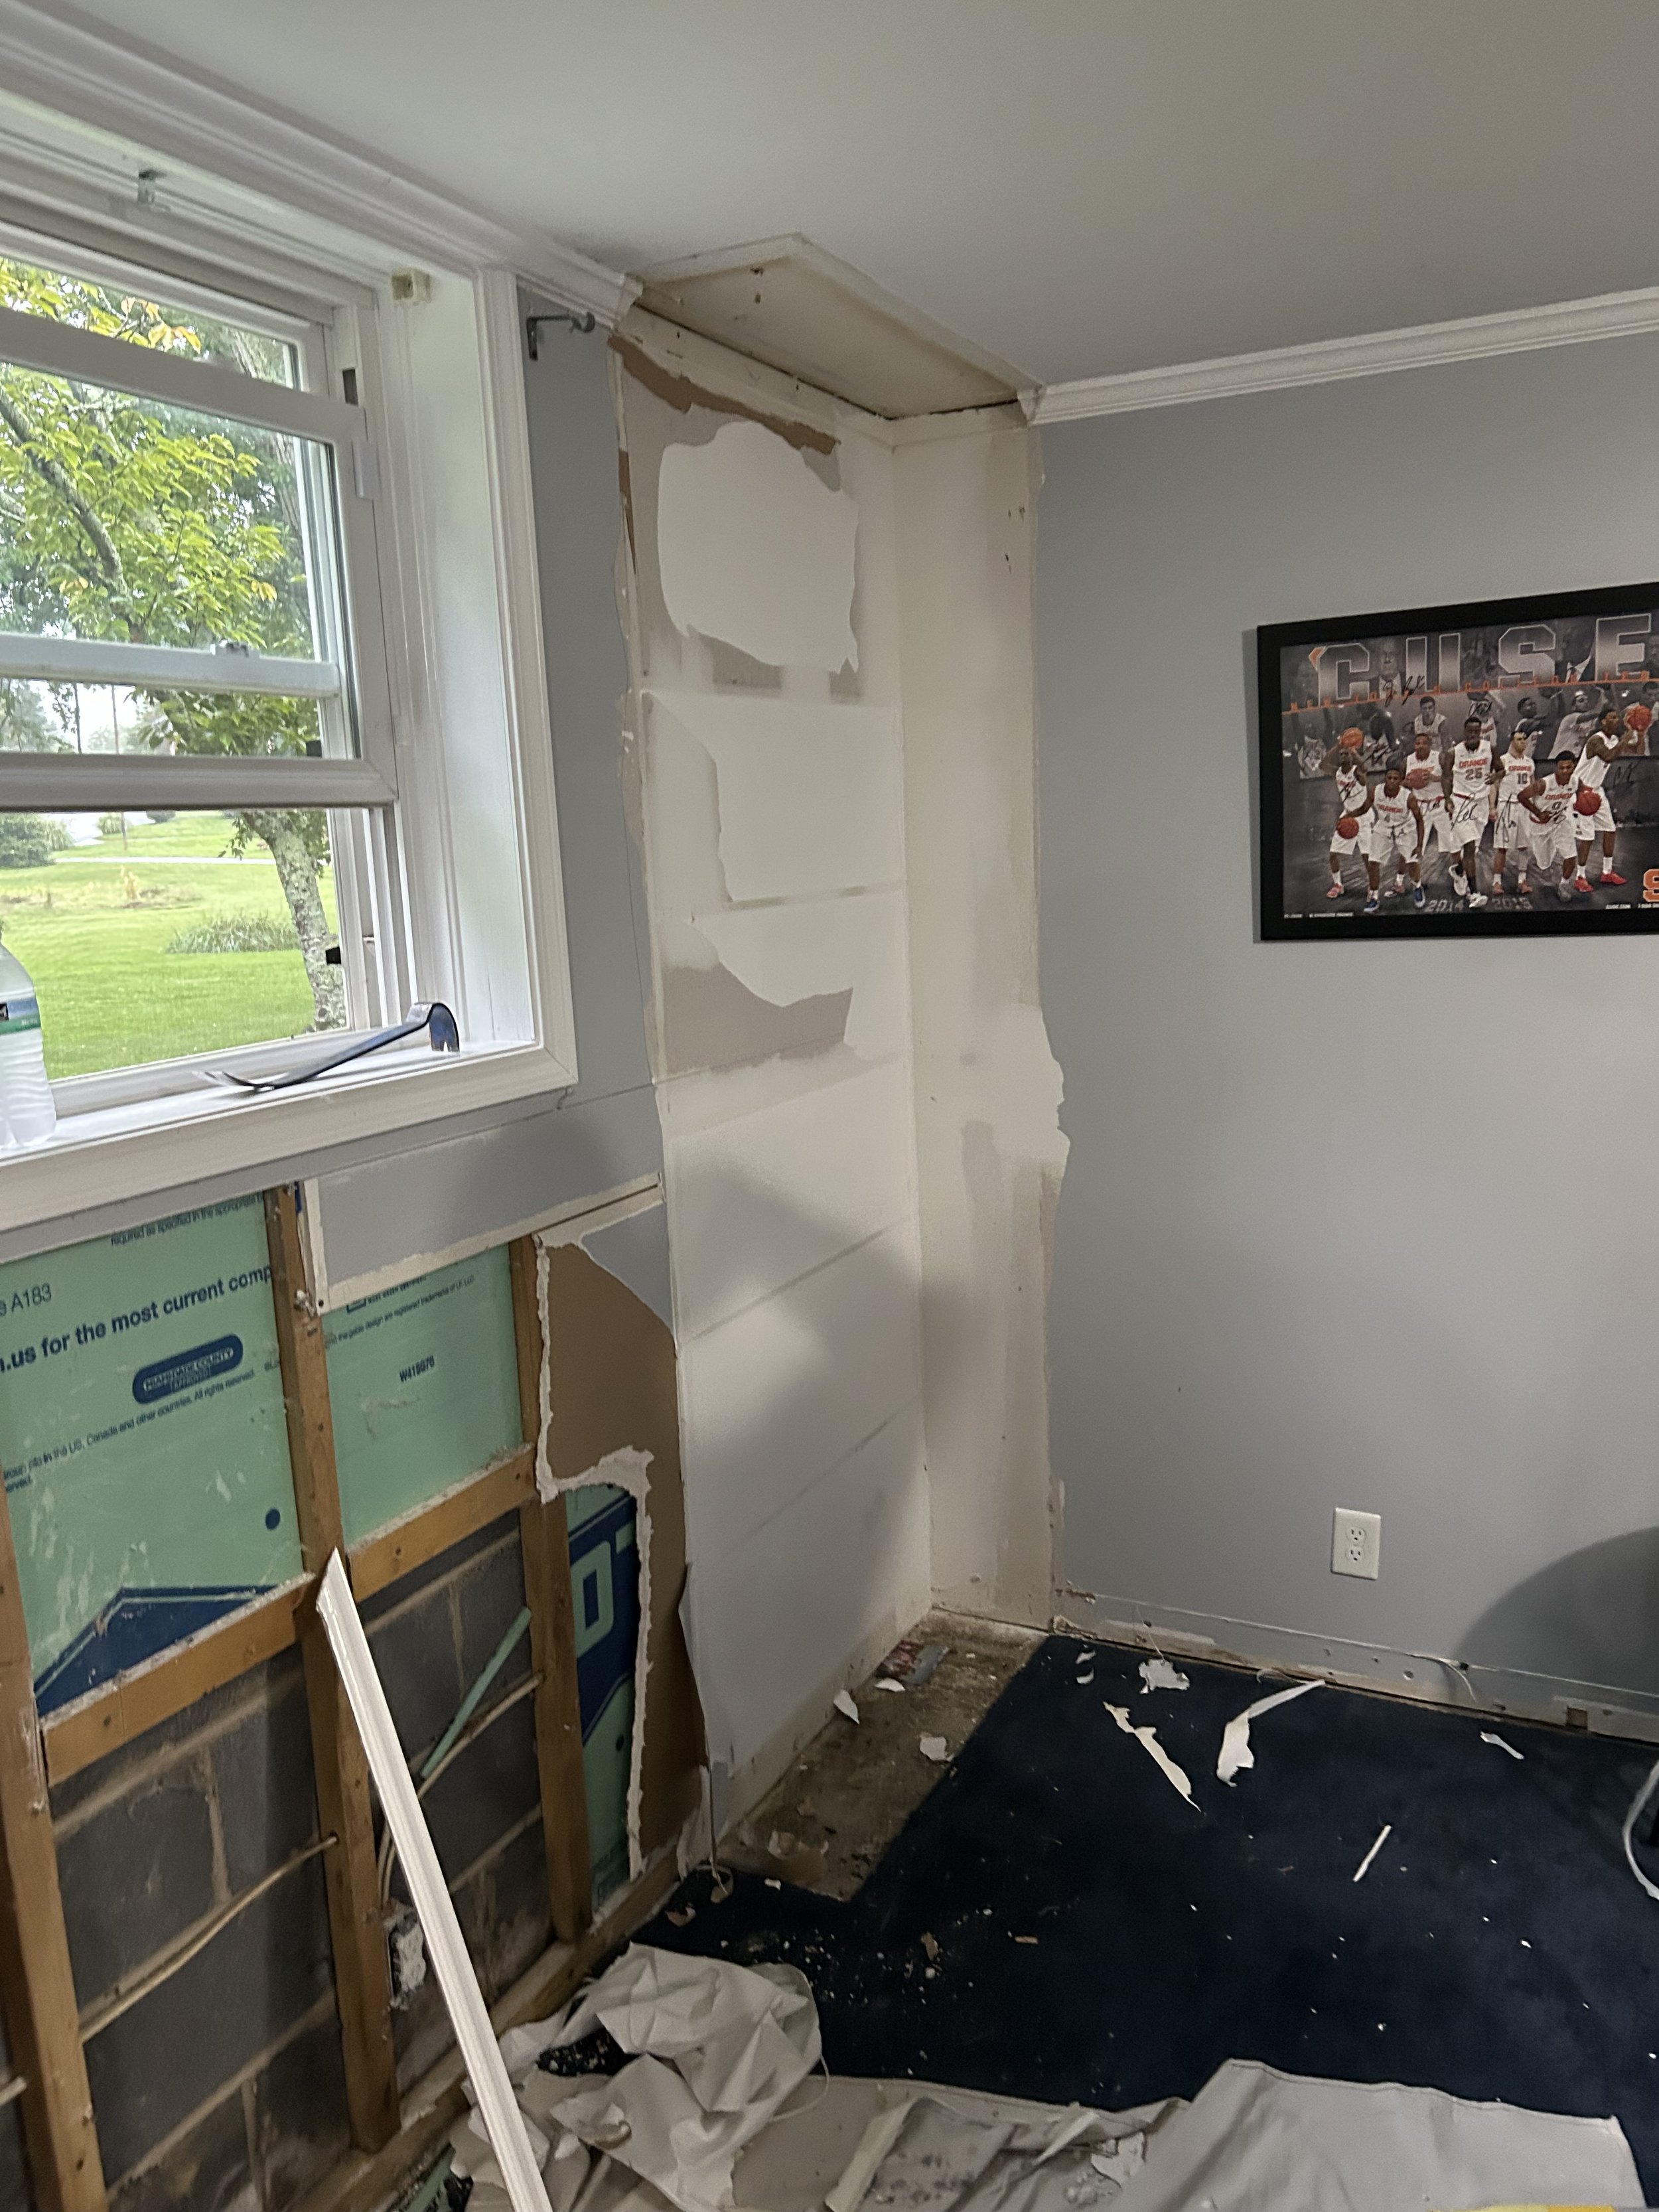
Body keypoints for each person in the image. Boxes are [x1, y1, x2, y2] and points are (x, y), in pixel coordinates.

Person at [1571, 706, 1642, 890]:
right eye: (1613, 717)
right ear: (1603, 721)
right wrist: (1628, 731)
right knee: (1587, 838)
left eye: (1618, 717)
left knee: (1610, 830)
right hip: (1581, 791)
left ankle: (1607, 872)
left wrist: (1639, 731)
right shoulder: (1596, 740)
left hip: (1597, 790)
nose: (1617, 720)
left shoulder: (1614, 739)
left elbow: (1637, 750)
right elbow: (1609, 756)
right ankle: (1580, 877)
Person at [1518, 752, 1586, 900]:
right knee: (1544, 864)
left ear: (1574, 766)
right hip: (1539, 826)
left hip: (1559, 822)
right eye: (1561, 768)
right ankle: (1549, 851)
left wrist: (1585, 802)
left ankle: (1564, 885)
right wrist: (1538, 813)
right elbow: (1521, 796)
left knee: (1571, 855)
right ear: (1556, 768)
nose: (1565, 771)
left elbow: (1583, 793)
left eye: (1569, 767)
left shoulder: (1576, 782)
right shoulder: (1544, 784)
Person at [1363, 762, 1426, 914]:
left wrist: (1419, 844)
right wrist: (1351, 816)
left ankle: (1418, 887)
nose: (1392, 781)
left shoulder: (1408, 797)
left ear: (1400, 780)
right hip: (1383, 828)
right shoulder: (1375, 791)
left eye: (1395, 778)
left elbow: (1419, 820)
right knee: (1373, 863)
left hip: (1405, 829)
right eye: (1389, 777)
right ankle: (1374, 897)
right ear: (1385, 778)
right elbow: (1364, 808)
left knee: (1412, 863)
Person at [1402, 723, 1458, 885]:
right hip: (1419, 807)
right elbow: (1399, 782)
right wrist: (1409, 782)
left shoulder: (1440, 757)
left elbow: (1452, 777)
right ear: (1414, 745)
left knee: (1453, 845)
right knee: (1413, 847)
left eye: (1424, 743)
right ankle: (1405, 883)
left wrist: (1436, 778)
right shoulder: (1408, 761)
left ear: (1430, 745)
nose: (1420, 746)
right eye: (1418, 743)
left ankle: (1460, 877)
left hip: (1439, 804)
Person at [1445, 714, 1492, 905]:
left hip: (1481, 803)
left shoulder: (1490, 749)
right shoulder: (1453, 753)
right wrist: (1448, 799)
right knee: (1470, 847)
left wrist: (1497, 776)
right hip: (1461, 802)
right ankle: (1473, 893)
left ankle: (1458, 871)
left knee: (1474, 849)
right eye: (1470, 731)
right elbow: (1446, 778)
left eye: (1477, 731)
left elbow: (1500, 769)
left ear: (1480, 732)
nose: (1473, 734)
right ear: (1464, 732)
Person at [1490, 723, 1540, 895]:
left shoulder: (1530, 762)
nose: (1523, 742)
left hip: (1525, 807)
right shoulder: (1503, 761)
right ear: (1512, 742)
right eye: (1519, 739)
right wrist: (1492, 807)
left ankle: (1522, 880)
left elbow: (1533, 785)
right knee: (1502, 847)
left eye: (1524, 739)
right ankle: (1496, 882)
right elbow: (1494, 786)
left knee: (1524, 846)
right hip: (1507, 806)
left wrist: (1535, 808)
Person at [1319, 735, 1372, 897]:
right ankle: (1338, 884)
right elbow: (1322, 765)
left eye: (1347, 754)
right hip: (1347, 815)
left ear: (1352, 757)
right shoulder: (1337, 773)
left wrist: (1353, 751)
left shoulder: (1357, 771)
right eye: (1342, 754)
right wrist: (1338, 746)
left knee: (1366, 855)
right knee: (1333, 852)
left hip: (1363, 815)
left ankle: (1373, 886)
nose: (1344, 756)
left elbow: (1364, 774)